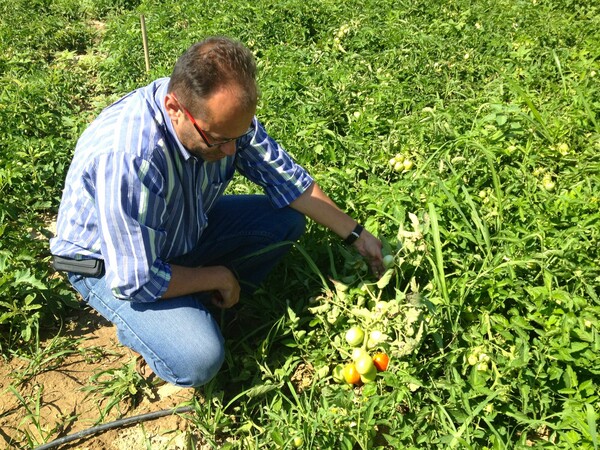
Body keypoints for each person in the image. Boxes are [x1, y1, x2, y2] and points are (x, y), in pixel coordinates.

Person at [50, 36, 384, 388]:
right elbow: (136, 278)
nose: (231, 150)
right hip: (108, 263)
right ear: (174, 108)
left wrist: (358, 235)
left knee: (284, 220)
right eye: (219, 140)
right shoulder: (131, 157)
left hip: (176, 228)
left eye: (238, 136)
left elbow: (287, 180)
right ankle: (158, 326)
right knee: (198, 358)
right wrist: (218, 276)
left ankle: (194, 303)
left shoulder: (223, 121)